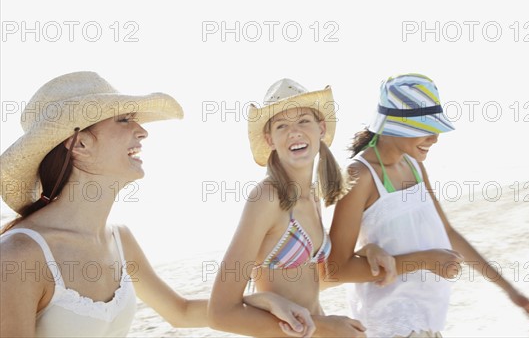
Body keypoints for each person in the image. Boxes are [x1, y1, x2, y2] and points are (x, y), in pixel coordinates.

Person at [0, 71, 316, 338]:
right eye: (124, 120)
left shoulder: (119, 240)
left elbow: (180, 312)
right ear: (79, 143)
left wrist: (258, 300)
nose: (143, 131)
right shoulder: (20, 256)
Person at [328, 73, 529, 337]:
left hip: (428, 321)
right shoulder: (360, 176)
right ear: (395, 126)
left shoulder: (414, 166)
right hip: (391, 322)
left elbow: (448, 233)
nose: (435, 138)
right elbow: (337, 269)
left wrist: (511, 291)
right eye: (424, 128)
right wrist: (424, 261)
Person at [208, 78, 401, 337]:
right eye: (281, 125)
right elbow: (221, 313)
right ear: (270, 139)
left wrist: (367, 251)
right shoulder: (267, 197)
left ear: (321, 128)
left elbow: (310, 280)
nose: (294, 132)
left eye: (303, 121)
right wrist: (324, 325)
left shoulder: (311, 195)